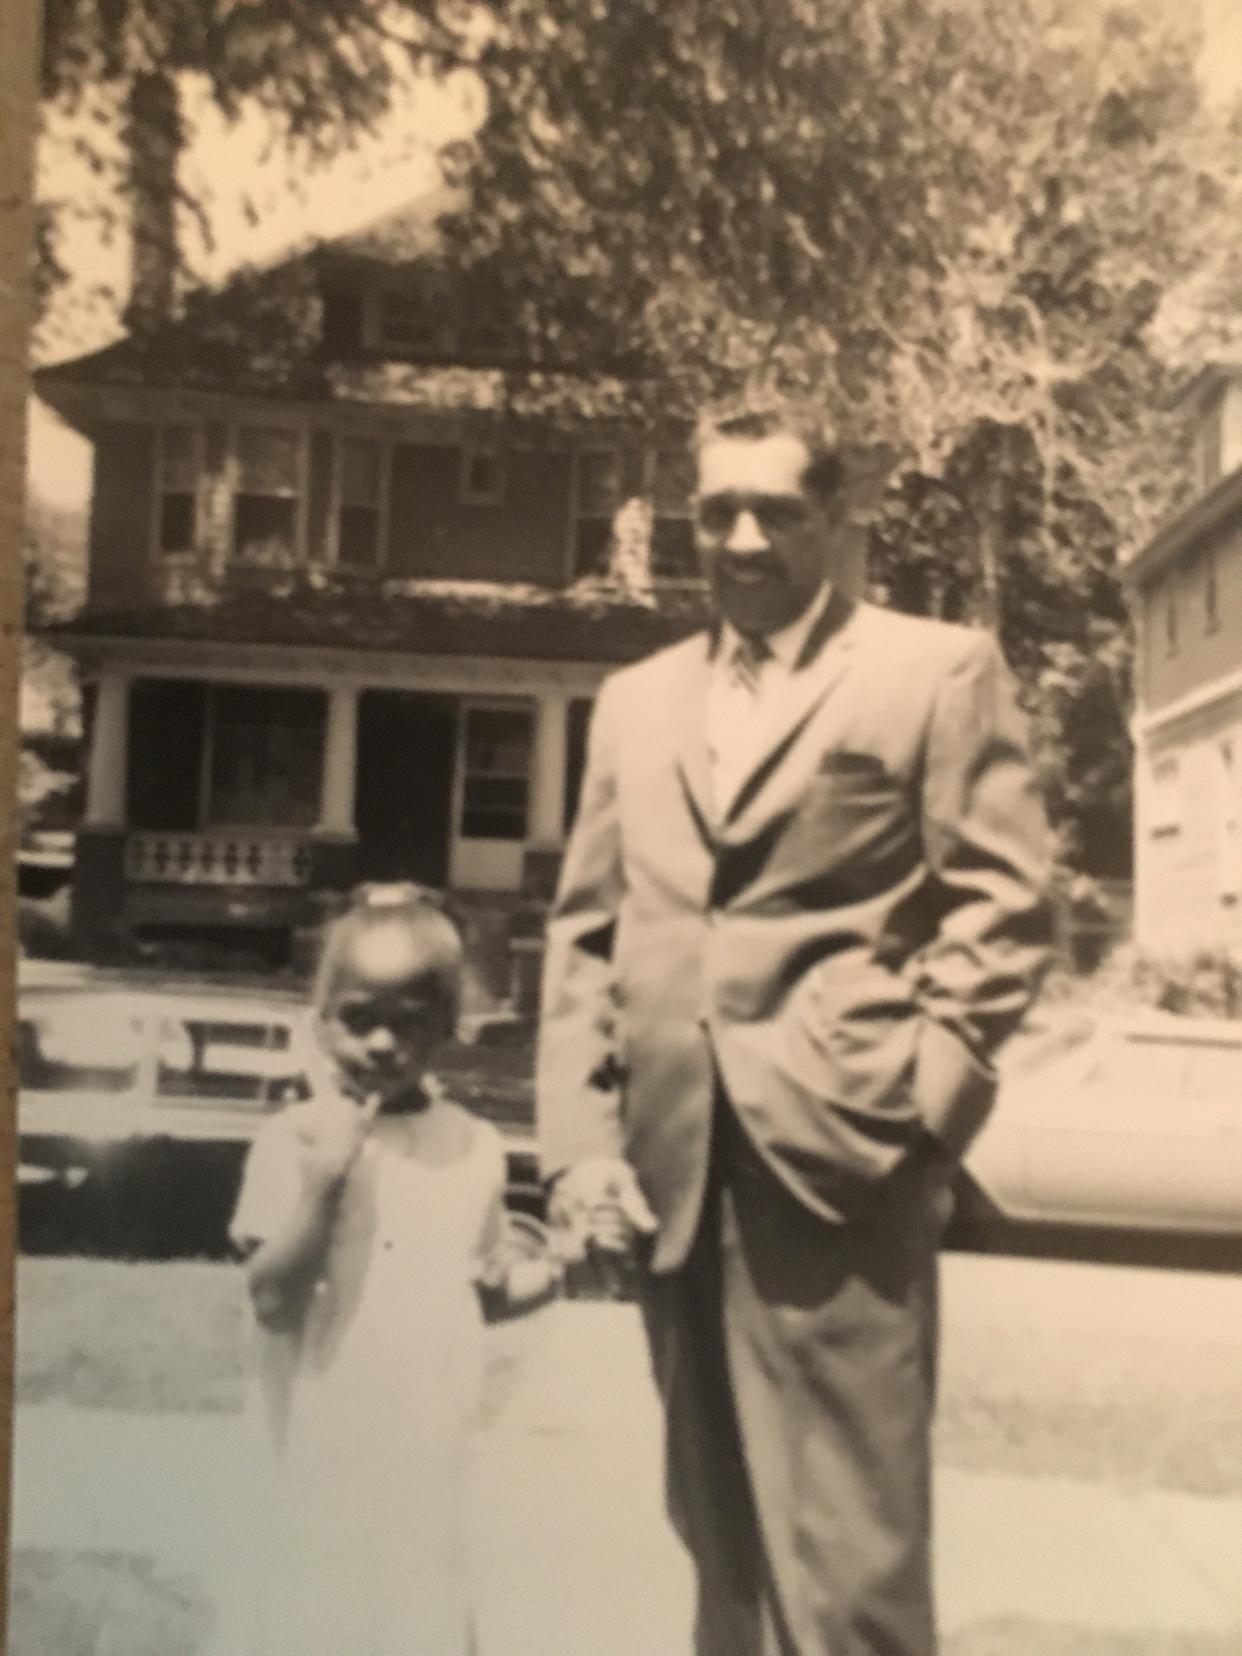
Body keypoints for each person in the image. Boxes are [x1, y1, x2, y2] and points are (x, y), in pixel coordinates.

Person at [537, 399, 1053, 1654]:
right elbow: (586, 934)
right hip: (668, 1171)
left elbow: (1009, 902)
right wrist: (578, 1148)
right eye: (718, 510)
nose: (745, 536)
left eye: (778, 509)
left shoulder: (933, 669)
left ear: (837, 519)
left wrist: (922, 1106)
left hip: (842, 1161)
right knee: (717, 1540)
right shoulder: (635, 699)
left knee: (853, 1563)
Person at [218, 882, 559, 1656]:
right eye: (359, 1021)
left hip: (424, 1449)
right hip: (315, 1438)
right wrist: (325, 1185)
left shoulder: (474, 1144)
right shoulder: (297, 1136)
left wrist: (546, 1273)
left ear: (448, 1027)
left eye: (408, 1026)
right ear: (321, 1021)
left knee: (420, 1616)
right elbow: (272, 1297)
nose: (381, 1046)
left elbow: (477, 1284)